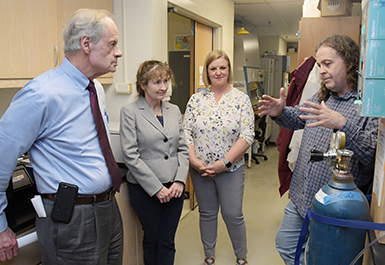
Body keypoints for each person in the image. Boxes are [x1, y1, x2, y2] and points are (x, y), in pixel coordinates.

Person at [0, 9, 124, 264]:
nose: (119, 52)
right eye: (112, 43)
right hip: (73, 218)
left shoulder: (95, 88)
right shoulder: (41, 94)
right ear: (86, 43)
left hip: (108, 208)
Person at [258, 34, 379, 265]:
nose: (322, 70)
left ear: (349, 63)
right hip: (302, 195)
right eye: (319, 64)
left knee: (323, 258)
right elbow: (298, 118)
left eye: (328, 63)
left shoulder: (367, 105)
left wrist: (343, 123)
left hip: (334, 206)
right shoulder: (324, 95)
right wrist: (280, 112)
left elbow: (372, 156)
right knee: (285, 243)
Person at [182, 50, 254, 265]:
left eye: (222, 67)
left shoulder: (241, 99)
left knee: (233, 215)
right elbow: (186, 133)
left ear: (229, 70)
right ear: (208, 72)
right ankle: (209, 255)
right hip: (200, 169)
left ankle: (241, 256)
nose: (218, 72)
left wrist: (224, 163)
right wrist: (193, 160)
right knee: (207, 213)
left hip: (230, 170)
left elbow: (247, 134)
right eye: (213, 68)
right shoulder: (196, 99)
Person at [119, 60, 189, 265]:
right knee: (151, 239)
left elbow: (183, 149)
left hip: (174, 188)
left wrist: (179, 181)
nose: (163, 87)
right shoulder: (130, 112)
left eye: (166, 81)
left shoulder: (174, 110)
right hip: (145, 190)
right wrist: (157, 188)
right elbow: (131, 155)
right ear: (143, 85)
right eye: (157, 82)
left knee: (167, 240)